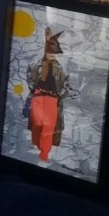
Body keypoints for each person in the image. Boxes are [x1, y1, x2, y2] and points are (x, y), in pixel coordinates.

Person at [26, 28, 69, 165]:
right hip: (38, 96)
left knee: (48, 127)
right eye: (50, 54)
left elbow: (66, 84)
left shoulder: (60, 69)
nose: (53, 56)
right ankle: (37, 145)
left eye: (54, 54)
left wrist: (60, 94)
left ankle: (44, 153)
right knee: (37, 124)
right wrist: (34, 90)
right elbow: (30, 76)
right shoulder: (37, 65)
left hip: (52, 99)